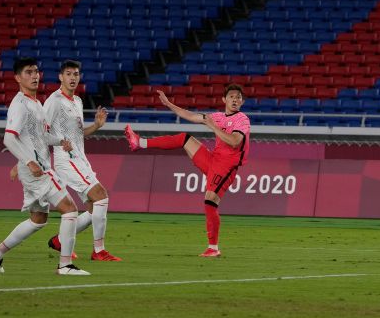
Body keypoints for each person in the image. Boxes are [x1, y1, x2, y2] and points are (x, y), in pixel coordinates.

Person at [0, 57, 90, 275]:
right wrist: (29, 161)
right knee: (70, 210)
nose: (34, 76)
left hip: (36, 169)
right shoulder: (20, 105)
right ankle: (65, 265)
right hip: (37, 170)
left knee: (38, 220)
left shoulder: (36, 103)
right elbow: (9, 139)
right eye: (29, 72)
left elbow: (41, 137)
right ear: (17, 78)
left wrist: (59, 141)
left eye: (36, 72)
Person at [123, 84, 250, 257]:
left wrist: (212, 126)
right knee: (184, 138)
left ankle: (213, 248)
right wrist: (169, 104)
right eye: (231, 96)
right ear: (224, 100)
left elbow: (234, 142)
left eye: (238, 97)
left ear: (242, 102)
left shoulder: (242, 119)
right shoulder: (217, 116)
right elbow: (189, 115)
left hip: (227, 165)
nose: (235, 99)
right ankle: (140, 142)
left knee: (210, 200)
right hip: (213, 159)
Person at [41, 60, 121, 261]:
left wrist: (96, 126)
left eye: (76, 74)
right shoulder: (54, 101)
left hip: (80, 158)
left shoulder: (77, 101)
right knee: (101, 195)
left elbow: (78, 135)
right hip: (65, 160)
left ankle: (60, 240)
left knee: (94, 208)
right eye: (68, 74)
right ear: (61, 77)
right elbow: (41, 133)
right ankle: (99, 251)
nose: (73, 77)